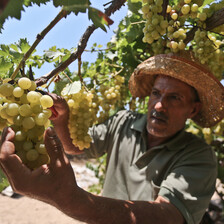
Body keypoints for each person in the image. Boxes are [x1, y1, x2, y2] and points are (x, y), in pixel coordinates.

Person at [0, 51, 224, 224]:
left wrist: (71, 199)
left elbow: (169, 217)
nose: (159, 105)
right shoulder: (123, 121)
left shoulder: (199, 155)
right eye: (156, 93)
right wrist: (62, 121)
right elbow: (77, 148)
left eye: (174, 98)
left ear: (193, 110)